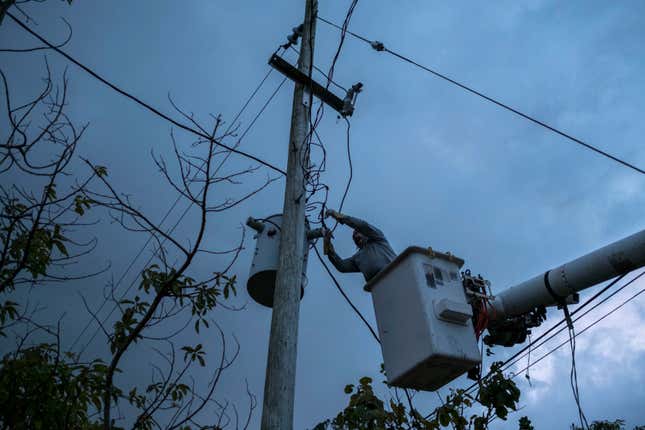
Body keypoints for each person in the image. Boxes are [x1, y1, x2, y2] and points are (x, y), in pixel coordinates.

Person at [323, 209, 396, 282]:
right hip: (377, 286)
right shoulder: (358, 258)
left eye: (357, 232)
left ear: (365, 233)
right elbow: (341, 266)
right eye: (354, 236)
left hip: (396, 273)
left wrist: (336, 215)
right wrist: (327, 242)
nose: (355, 236)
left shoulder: (378, 239)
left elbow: (362, 226)